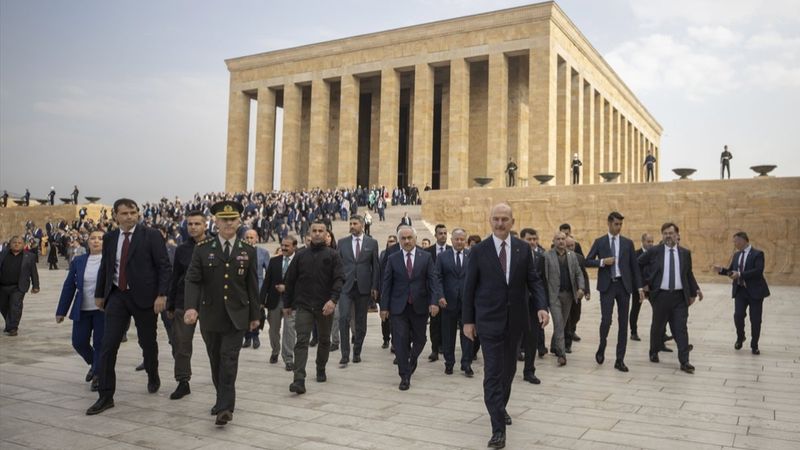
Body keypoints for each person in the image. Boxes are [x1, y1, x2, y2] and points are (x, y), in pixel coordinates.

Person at [463, 204, 548, 449]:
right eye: (496, 219)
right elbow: (468, 288)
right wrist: (468, 321)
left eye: (504, 219)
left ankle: (500, 407)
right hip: (488, 322)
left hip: (516, 322)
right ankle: (498, 429)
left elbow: (534, 280)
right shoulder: (479, 250)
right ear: (490, 220)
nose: (500, 224)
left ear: (512, 221)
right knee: (493, 373)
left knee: (509, 371)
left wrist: (541, 306)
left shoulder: (523, 249)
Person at [87, 198, 171, 416]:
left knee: (147, 342)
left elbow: (163, 266)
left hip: (144, 298)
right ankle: (106, 396)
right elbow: (106, 267)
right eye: (124, 213)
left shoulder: (151, 235)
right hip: (117, 296)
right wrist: (100, 294)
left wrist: (162, 294)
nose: (129, 216)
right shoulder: (110, 237)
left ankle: (153, 374)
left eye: (133, 212)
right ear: (115, 215)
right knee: (108, 345)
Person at [183, 200, 260, 426]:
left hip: (237, 315)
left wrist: (255, 315)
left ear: (239, 222)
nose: (228, 223)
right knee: (215, 359)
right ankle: (222, 398)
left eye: (232, 219)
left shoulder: (248, 251)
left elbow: (252, 286)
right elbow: (193, 280)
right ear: (215, 222)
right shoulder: (203, 249)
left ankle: (225, 407)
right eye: (223, 219)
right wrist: (191, 306)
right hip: (210, 314)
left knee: (228, 360)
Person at [283, 220, 344, 395]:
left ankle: (320, 367)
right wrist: (287, 304)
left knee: (324, 339)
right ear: (309, 234)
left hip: (324, 306)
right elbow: (290, 280)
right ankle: (298, 379)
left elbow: (339, 279)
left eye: (321, 231)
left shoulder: (333, 255)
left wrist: (333, 300)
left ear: (326, 234)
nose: (317, 233)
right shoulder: (301, 255)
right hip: (304, 306)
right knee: (301, 341)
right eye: (314, 231)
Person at [380, 226, 442, 391]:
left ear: (415, 238)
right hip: (398, 307)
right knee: (400, 341)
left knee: (420, 339)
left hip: (419, 306)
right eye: (403, 238)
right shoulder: (393, 258)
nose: (407, 241)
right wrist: (384, 307)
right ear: (400, 240)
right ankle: (404, 375)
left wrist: (434, 302)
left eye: (409, 238)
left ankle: (411, 360)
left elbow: (433, 281)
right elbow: (386, 284)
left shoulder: (426, 257)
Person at [585, 211, 644, 373]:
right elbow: (587, 261)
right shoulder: (600, 242)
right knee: (606, 321)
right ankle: (602, 345)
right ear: (609, 224)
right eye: (616, 224)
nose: (619, 227)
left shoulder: (627, 243)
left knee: (623, 324)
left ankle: (620, 359)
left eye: (620, 224)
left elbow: (634, 267)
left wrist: (639, 287)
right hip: (607, 286)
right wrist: (603, 262)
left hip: (624, 287)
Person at [639, 223, 701, 373]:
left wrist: (695, 290)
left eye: (671, 233)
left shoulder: (685, 253)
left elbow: (688, 274)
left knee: (681, 328)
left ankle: (684, 361)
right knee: (658, 326)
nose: (668, 236)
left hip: (680, 297)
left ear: (677, 235)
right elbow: (638, 264)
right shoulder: (654, 251)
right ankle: (653, 351)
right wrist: (644, 284)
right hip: (660, 295)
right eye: (665, 233)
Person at [56, 230, 105, 391]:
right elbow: (69, 285)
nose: (96, 241)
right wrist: (61, 310)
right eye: (93, 238)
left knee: (100, 343)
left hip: (103, 310)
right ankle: (94, 363)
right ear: (87, 241)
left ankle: (98, 374)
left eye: (100, 238)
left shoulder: (110, 260)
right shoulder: (79, 261)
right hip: (82, 309)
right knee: (79, 342)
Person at [165, 210, 206, 400]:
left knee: (214, 345)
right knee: (181, 344)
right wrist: (171, 305)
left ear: (205, 225)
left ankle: (220, 380)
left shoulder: (214, 246)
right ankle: (183, 381)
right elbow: (175, 278)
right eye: (190, 224)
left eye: (197, 224)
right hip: (183, 301)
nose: (193, 227)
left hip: (208, 303)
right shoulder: (182, 249)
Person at [713, 231, 770, 355]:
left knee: (755, 320)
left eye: (736, 241)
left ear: (744, 240)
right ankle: (740, 337)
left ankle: (754, 344)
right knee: (738, 316)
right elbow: (732, 271)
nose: (734, 243)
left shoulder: (758, 254)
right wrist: (721, 270)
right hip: (740, 291)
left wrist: (740, 274)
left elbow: (758, 271)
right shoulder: (737, 255)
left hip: (755, 291)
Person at [336, 215, 380, 367]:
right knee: (343, 319)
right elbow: (337, 266)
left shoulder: (372, 243)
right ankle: (345, 354)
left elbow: (376, 267)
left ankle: (357, 351)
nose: (352, 226)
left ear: (362, 225)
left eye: (355, 223)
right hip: (345, 288)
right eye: (350, 223)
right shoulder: (342, 243)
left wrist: (375, 286)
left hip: (364, 287)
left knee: (361, 322)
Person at [435, 227, 473, 376]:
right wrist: (440, 296)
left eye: (462, 239)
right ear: (452, 240)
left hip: (467, 303)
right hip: (448, 302)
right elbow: (437, 278)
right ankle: (449, 363)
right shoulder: (443, 257)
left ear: (465, 240)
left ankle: (466, 364)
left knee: (468, 334)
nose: (459, 241)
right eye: (456, 239)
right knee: (448, 334)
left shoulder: (472, 255)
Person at [542, 232, 584, 366]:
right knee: (559, 323)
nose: (561, 241)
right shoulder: (547, 256)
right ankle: (562, 354)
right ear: (553, 241)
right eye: (558, 239)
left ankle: (554, 345)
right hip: (554, 296)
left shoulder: (572, 256)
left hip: (569, 295)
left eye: (563, 239)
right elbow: (545, 277)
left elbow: (578, 273)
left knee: (563, 323)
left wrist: (581, 288)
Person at [261, 236, 298, 371]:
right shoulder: (274, 261)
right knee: (273, 330)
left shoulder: (299, 261)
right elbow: (267, 281)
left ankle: (288, 358)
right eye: (282, 245)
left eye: (287, 246)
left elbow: (302, 283)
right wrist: (261, 301)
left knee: (289, 331)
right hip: (274, 301)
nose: (283, 248)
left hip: (291, 302)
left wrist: (286, 288)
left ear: (294, 247)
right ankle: (275, 350)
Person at [519, 228, 546, 384]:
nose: (532, 242)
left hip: (533, 305)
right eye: (529, 239)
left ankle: (529, 370)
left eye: (535, 239)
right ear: (522, 239)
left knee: (532, 338)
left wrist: (543, 305)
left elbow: (542, 283)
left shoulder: (540, 257)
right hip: (515, 304)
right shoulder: (514, 256)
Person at [0, 236, 40, 336]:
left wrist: (36, 286)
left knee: (15, 306)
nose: (17, 244)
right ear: (10, 243)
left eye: (19, 242)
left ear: (23, 244)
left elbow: (33, 272)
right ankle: (9, 324)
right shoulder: (3, 254)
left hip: (18, 287)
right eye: (14, 242)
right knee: (3, 307)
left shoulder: (29, 256)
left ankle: (13, 328)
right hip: (2, 286)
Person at [425, 224, 451, 362]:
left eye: (445, 233)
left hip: (449, 293)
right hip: (433, 293)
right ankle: (435, 349)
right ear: (435, 235)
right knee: (434, 322)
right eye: (440, 233)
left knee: (447, 323)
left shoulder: (452, 250)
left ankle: (444, 347)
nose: (443, 235)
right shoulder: (428, 252)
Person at [242, 229, 269, 350]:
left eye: (252, 237)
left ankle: (255, 336)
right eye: (247, 237)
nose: (249, 240)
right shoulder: (240, 252)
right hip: (242, 289)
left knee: (257, 313)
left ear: (257, 238)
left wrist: (266, 292)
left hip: (258, 288)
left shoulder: (263, 253)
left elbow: (268, 273)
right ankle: (247, 337)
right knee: (244, 313)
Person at [565, 236, 589, 353]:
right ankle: (567, 344)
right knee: (566, 320)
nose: (570, 248)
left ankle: (570, 331)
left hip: (577, 294)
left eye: (572, 246)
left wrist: (586, 291)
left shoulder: (579, 258)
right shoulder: (559, 258)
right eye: (568, 246)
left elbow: (584, 275)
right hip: (564, 294)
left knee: (576, 316)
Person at [630, 233, 654, 342]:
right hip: (639, 287)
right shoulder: (636, 254)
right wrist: (642, 285)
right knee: (635, 309)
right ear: (643, 241)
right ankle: (633, 332)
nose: (651, 244)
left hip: (652, 287)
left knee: (658, 310)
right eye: (648, 242)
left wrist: (649, 285)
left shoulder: (655, 254)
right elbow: (635, 272)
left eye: (652, 242)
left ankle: (661, 333)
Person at [379, 234, 399, 349]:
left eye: (392, 241)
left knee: (395, 319)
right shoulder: (384, 254)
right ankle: (386, 338)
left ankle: (394, 343)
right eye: (389, 241)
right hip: (386, 291)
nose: (390, 243)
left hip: (396, 292)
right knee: (385, 318)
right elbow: (381, 273)